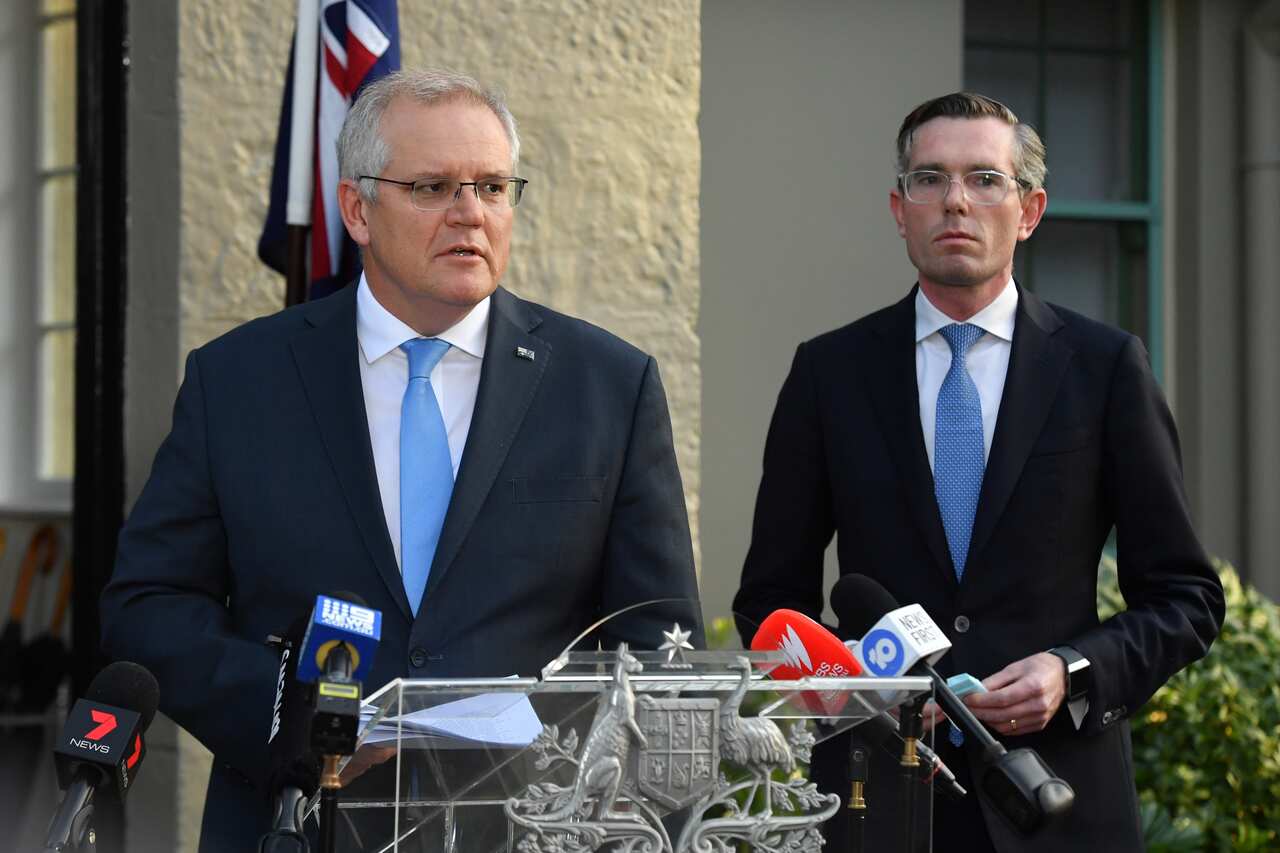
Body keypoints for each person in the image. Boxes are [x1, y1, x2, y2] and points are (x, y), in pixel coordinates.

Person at [101, 68, 703, 852]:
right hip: (299, 822)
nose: (470, 215)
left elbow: (656, 636)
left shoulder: (606, 385)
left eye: (492, 186)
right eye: (432, 187)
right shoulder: (239, 380)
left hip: (532, 827)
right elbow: (148, 604)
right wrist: (292, 717)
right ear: (357, 208)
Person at [733, 92, 1224, 852]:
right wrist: (858, 692)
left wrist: (1073, 672)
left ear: (1029, 210)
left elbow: (1186, 597)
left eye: (984, 179)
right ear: (900, 209)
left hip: (1056, 798)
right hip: (878, 798)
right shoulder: (829, 372)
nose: (955, 201)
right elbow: (769, 600)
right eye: (929, 179)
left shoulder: (1104, 368)